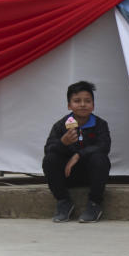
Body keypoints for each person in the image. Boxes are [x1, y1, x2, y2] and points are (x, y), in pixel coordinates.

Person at [42, 81, 111, 223]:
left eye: (87, 101)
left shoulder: (100, 124)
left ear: (93, 105)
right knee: (50, 159)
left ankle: (94, 204)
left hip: (91, 175)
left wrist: (79, 154)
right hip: (68, 175)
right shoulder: (61, 125)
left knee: (100, 158)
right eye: (77, 101)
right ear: (69, 105)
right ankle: (63, 202)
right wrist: (63, 143)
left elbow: (104, 146)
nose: (82, 105)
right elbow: (48, 149)